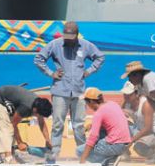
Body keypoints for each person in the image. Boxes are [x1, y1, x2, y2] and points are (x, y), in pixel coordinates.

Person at [34, 21, 105, 160]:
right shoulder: (55, 44)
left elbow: (100, 57)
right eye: (65, 36)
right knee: (57, 124)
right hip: (60, 90)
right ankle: (53, 156)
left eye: (70, 38)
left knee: (79, 125)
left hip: (78, 91)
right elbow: (38, 59)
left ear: (77, 35)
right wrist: (50, 73)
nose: (67, 40)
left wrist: (89, 71)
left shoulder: (85, 45)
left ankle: (83, 156)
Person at [0, 84, 53, 163]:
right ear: (35, 110)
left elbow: (42, 124)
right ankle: (8, 158)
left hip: (4, 103)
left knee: (11, 131)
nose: (39, 117)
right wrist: (20, 142)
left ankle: (10, 155)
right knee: (7, 128)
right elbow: (13, 124)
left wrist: (48, 141)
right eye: (39, 115)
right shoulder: (26, 106)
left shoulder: (39, 104)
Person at [77, 87, 131, 165]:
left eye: (87, 102)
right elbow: (112, 120)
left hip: (115, 145)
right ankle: (112, 157)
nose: (87, 105)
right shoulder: (113, 104)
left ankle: (108, 161)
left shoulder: (98, 113)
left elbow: (93, 137)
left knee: (79, 151)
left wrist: (83, 159)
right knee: (101, 130)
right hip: (125, 144)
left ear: (91, 101)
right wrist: (92, 125)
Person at [121, 81, 155, 160]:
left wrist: (131, 141)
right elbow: (117, 116)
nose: (126, 96)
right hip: (140, 129)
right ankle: (124, 153)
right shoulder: (127, 104)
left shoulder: (146, 104)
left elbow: (148, 129)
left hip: (154, 133)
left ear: (137, 93)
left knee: (139, 148)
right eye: (125, 94)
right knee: (117, 125)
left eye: (129, 94)